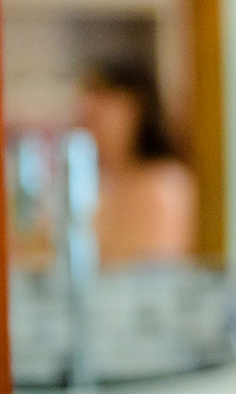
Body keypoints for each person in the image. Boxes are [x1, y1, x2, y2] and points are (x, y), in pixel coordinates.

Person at [76, 61, 197, 266]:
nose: (89, 129)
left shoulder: (164, 183)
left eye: (98, 117)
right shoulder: (100, 183)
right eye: (87, 119)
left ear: (137, 112)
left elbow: (146, 264)